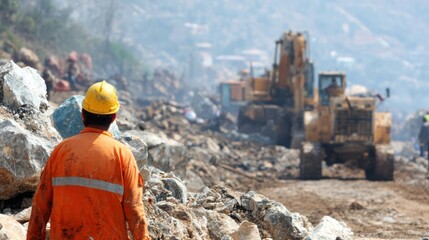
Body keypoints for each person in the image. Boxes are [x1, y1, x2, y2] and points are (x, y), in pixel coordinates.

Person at [27, 81, 151, 240]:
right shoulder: (123, 156)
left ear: (83, 114)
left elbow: (41, 205)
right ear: (113, 117)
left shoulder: (61, 151)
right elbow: (134, 210)